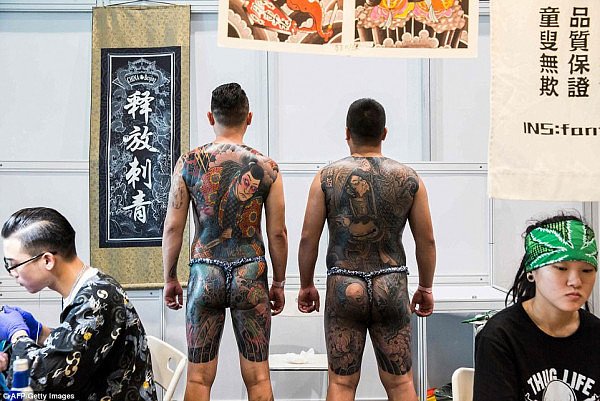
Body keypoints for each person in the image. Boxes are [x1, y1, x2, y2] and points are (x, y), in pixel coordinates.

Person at [297, 98, 436, 401]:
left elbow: (309, 237)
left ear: (347, 132)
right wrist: (425, 286)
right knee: (400, 384)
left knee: (342, 384)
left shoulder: (326, 178)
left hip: (345, 282)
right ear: (384, 132)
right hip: (392, 282)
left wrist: (306, 284)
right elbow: (426, 241)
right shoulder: (409, 179)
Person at [162, 82, 288, 401]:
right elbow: (278, 233)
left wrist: (170, 278)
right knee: (258, 379)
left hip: (205, 272)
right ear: (249, 118)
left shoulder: (188, 164)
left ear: (210, 117)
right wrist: (280, 283)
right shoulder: (267, 168)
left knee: (199, 380)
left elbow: (172, 229)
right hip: (250, 272)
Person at [0, 207, 157, 400]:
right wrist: (40, 332)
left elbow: (44, 378)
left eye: (13, 264)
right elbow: (77, 347)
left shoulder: (97, 299)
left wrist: (17, 334)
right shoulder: (88, 288)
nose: (12, 273)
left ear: (47, 260)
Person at [473, 214, 600, 401]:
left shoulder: (596, 334)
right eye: (561, 268)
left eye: (587, 270)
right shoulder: (500, 336)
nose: (575, 281)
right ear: (532, 272)